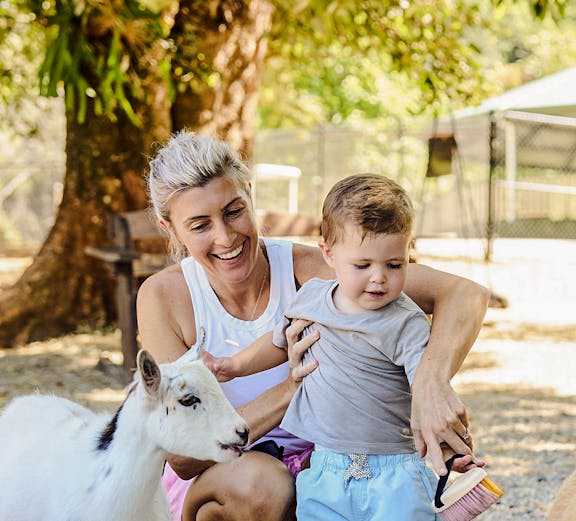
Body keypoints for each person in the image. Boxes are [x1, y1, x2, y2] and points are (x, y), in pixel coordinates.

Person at [136, 130, 490, 521]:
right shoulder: (164, 298)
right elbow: (184, 456)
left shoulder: (317, 271)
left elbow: (465, 294)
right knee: (264, 483)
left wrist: (430, 383)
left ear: (251, 195)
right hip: (232, 482)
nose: (225, 237)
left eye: (234, 211)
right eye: (200, 225)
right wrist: (294, 388)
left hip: (331, 466)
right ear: (171, 229)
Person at [205, 173, 480, 519]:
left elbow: (428, 393)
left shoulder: (406, 322)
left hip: (395, 469)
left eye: (394, 264)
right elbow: (277, 341)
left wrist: (449, 443)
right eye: (362, 265)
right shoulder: (311, 298)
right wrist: (236, 365)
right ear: (329, 255)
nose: (379, 277)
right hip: (326, 466)